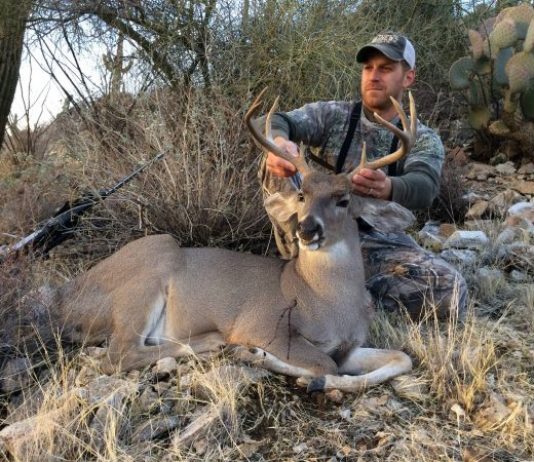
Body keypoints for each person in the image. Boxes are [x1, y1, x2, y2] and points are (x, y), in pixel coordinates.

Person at [258, 32, 467, 319]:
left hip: (374, 240)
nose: (374, 76)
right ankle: (298, 261)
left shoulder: (422, 138)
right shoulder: (333, 115)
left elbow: (425, 185)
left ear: (408, 77)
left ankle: (349, 297)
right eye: (368, 68)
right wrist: (280, 142)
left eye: (386, 68)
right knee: (274, 158)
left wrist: (390, 187)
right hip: (307, 223)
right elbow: (273, 121)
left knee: (452, 292)